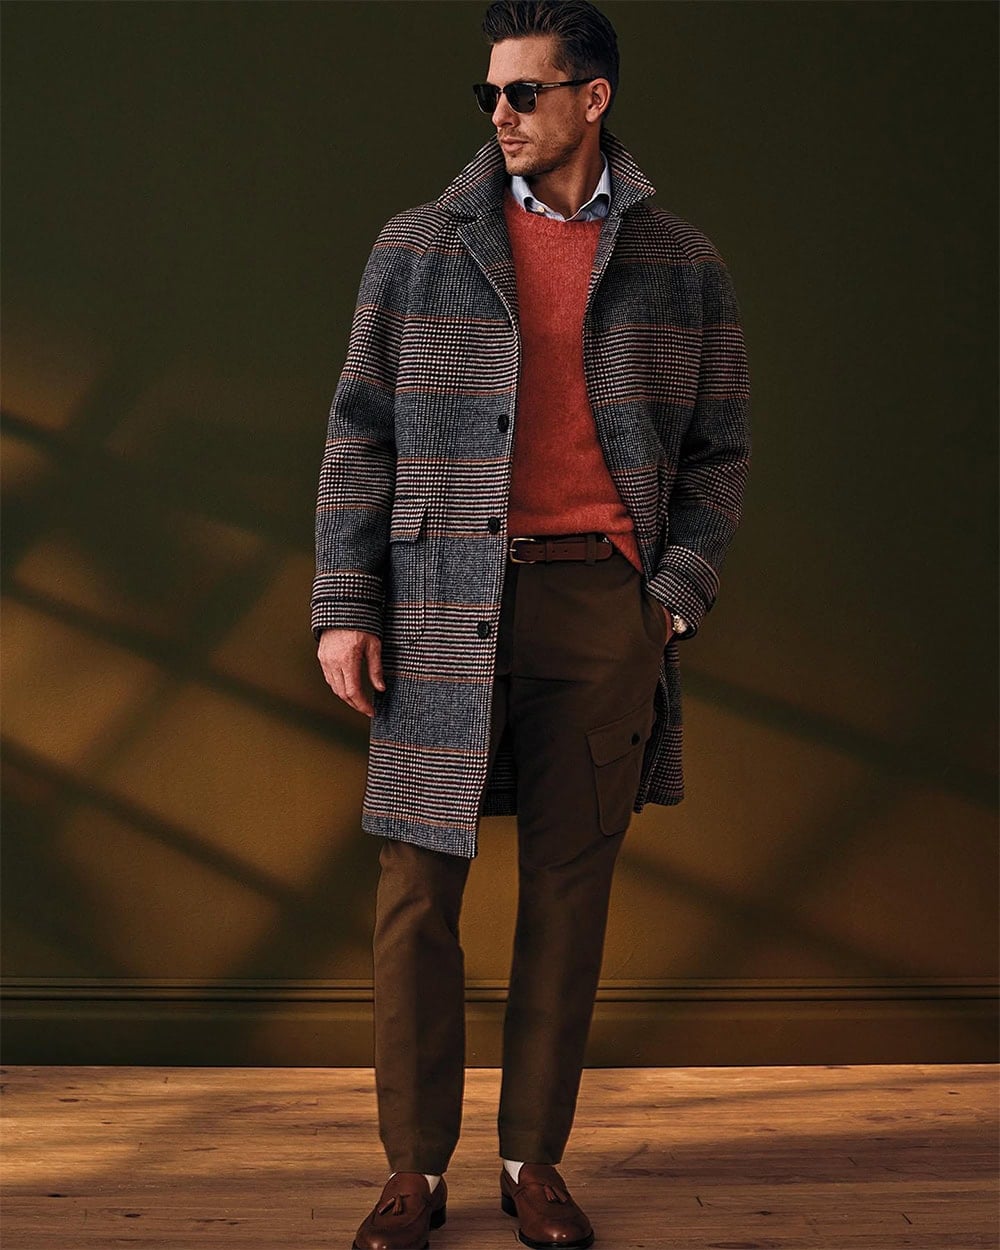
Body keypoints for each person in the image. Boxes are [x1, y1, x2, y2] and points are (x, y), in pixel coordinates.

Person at [312, 2, 751, 1246]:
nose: (499, 113)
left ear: (592, 98)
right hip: (437, 596)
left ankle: (531, 1159)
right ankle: (412, 1170)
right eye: (489, 93)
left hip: (602, 607)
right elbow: (359, 433)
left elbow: (719, 454)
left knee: (570, 890)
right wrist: (344, 606)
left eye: (525, 91)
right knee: (416, 890)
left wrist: (668, 600)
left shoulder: (681, 263)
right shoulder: (419, 245)